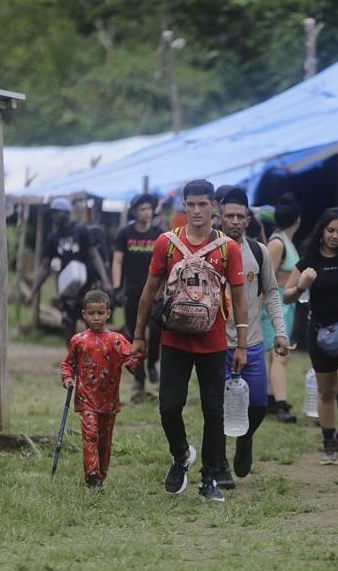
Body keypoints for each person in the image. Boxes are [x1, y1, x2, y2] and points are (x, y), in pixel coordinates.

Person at [132, 179, 248, 503]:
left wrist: (240, 343)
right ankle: (181, 454)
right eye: (191, 204)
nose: (197, 211)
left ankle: (209, 476)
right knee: (169, 406)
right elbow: (148, 292)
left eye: (203, 204)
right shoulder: (165, 244)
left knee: (214, 411)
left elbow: (239, 298)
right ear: (184, 206)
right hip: (173, 338)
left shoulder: (228, 249)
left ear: (215, 207)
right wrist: (138, 337)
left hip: (213, 341)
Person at [215, 186, 289, 489]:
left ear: (248, 219)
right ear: (219, 218)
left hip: (254, 342)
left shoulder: (257, 251)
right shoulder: (209, 251)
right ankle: (219, 466)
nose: (234, 221)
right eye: (229, 215)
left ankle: (244, 442)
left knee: (258, 403)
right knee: (216, 408)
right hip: (216, 344)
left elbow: (272, 292)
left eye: (240, 216)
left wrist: (280, 332)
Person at [283, 207, 338, 467]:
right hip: (319, 330)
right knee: (326, 391)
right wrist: (301, 286)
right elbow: (286, 296)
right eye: (331, 230)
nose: (335, 236)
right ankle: (329, 440)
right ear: (322, 230)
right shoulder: (308, 260)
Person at [59, 289, 142, 490]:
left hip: (109, 400)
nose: (96, 318)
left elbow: (132, 358)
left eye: (100, 313)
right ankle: (92, 475)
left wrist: (135, 360)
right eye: (91, 313)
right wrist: (68, 379)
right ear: (84, 314)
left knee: (104, 442)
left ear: (108, 314)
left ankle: (101, 476)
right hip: (86, 398)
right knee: (90, 435)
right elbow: (67, 364)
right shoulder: (78, 340)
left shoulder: (116, 340)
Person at [25, 198, 113, 342]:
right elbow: (45, 266)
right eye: (52, 213)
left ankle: (94, 358)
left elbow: (94, 255)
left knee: (92, 323)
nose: (54, 216)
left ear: (66, 213)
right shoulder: (53, 238)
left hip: (87, 286)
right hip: (67, 288)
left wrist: (105, 281)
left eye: (57, 212)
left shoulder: (81, 231)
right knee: (68, 323)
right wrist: (33, 292)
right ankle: (73, 360)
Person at [112, 194, 163, 392]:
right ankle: (139, 376)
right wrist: (117, 287)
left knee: (156, 330)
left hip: (155, 292)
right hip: (132, 292)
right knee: (134, 334)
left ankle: (152, 363)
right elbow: (117, 260)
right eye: (142, 209)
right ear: (134, 212)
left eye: (149, 209)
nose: (147, 212)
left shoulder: (159, 234)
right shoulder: (124, 233)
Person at [262, 194, 301, 423]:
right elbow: (266, 277)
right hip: (275, 304)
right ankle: (281, 404)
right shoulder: (277, 243)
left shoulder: (285, 241)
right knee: (279, 354)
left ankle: (269, 398)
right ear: (298, 219)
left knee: (274, 355)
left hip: (287, 303)